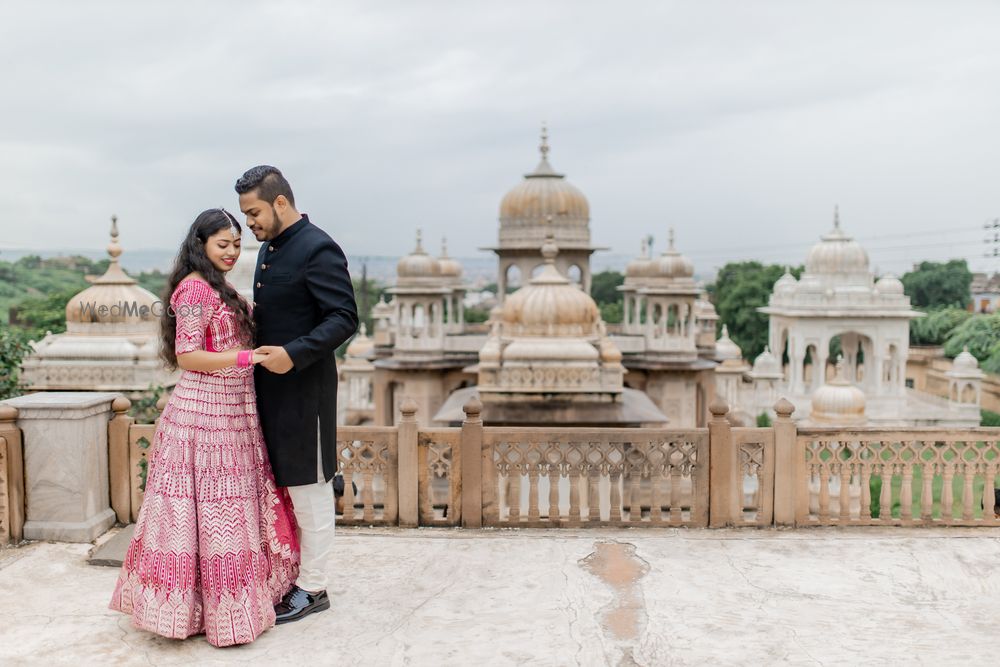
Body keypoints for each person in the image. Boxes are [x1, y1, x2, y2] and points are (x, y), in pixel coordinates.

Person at [110, 208, 300, 647]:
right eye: (223, 244)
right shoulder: (194, 290)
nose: (232, 251)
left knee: (226, 513)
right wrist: (245, 358)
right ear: (201, 244)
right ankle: (200, 613)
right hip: (202, 418)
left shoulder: (220, 286)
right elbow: (188, 356)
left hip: (233, 414)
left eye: (237, 243)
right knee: (206, 515)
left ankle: (222, 611)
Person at [235, 165, 358, 623]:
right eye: (247, 215)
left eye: (254, 212)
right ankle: (294, 575)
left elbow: (344, 317)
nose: (250, 223)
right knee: (287, 485)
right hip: (271, 389)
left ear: (280, 202)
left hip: (306, 388)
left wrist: (294, 353)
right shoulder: (271, 248)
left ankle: (314, 587)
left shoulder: (317, 247)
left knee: (311, 487)